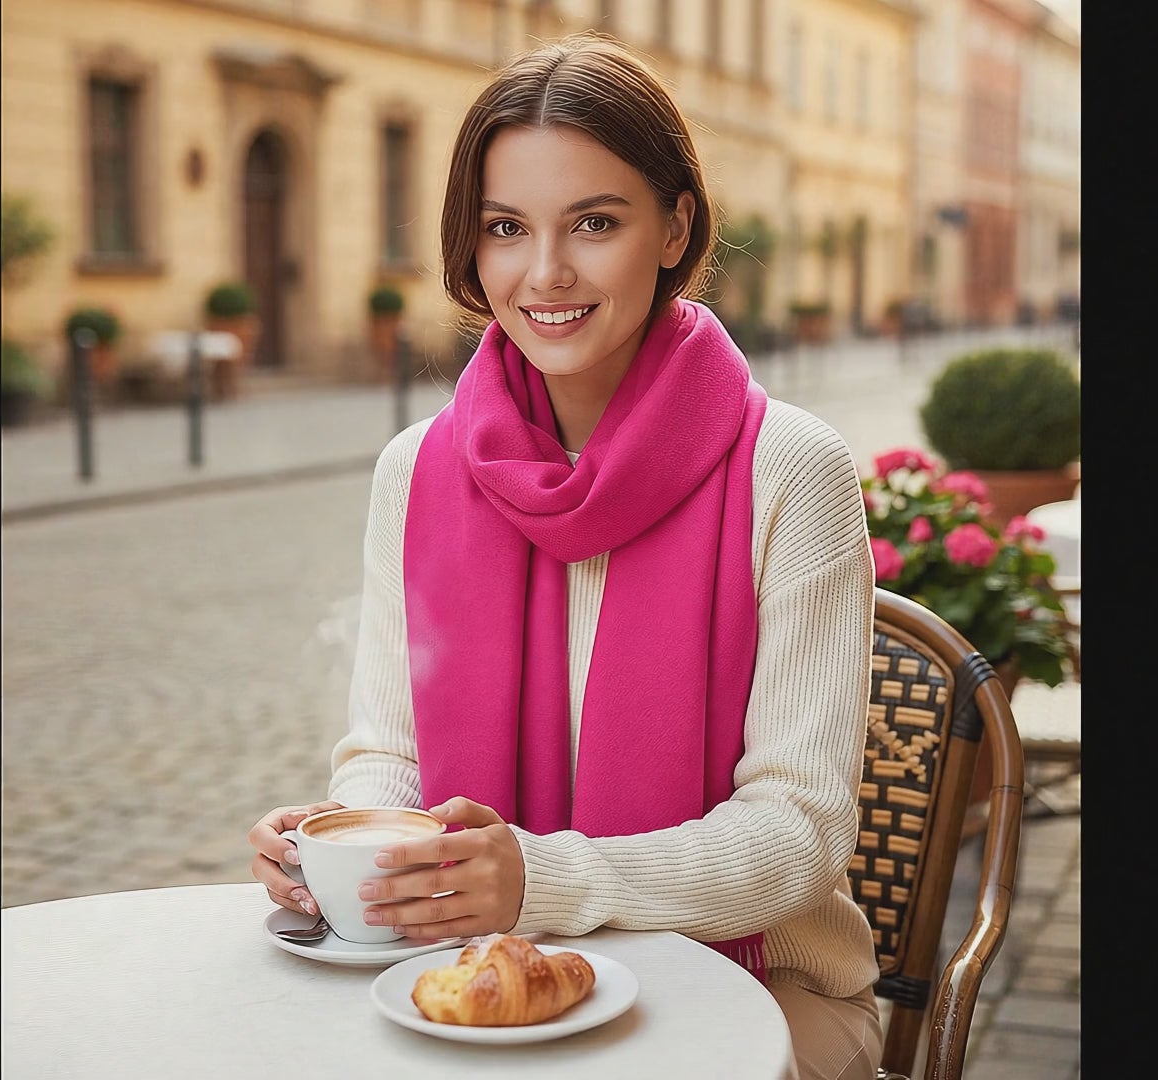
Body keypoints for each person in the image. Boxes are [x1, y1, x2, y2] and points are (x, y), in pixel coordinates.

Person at [247, 32, 882, 1079]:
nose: (545, 273)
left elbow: (798, 835)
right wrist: (345, 842)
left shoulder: (791, 472)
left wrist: (537, 881)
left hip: (759, 996)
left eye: (595, 222)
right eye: (506, 228)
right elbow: (387, 751)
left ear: (676, 226)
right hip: (476, 986)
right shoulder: (417, 472)